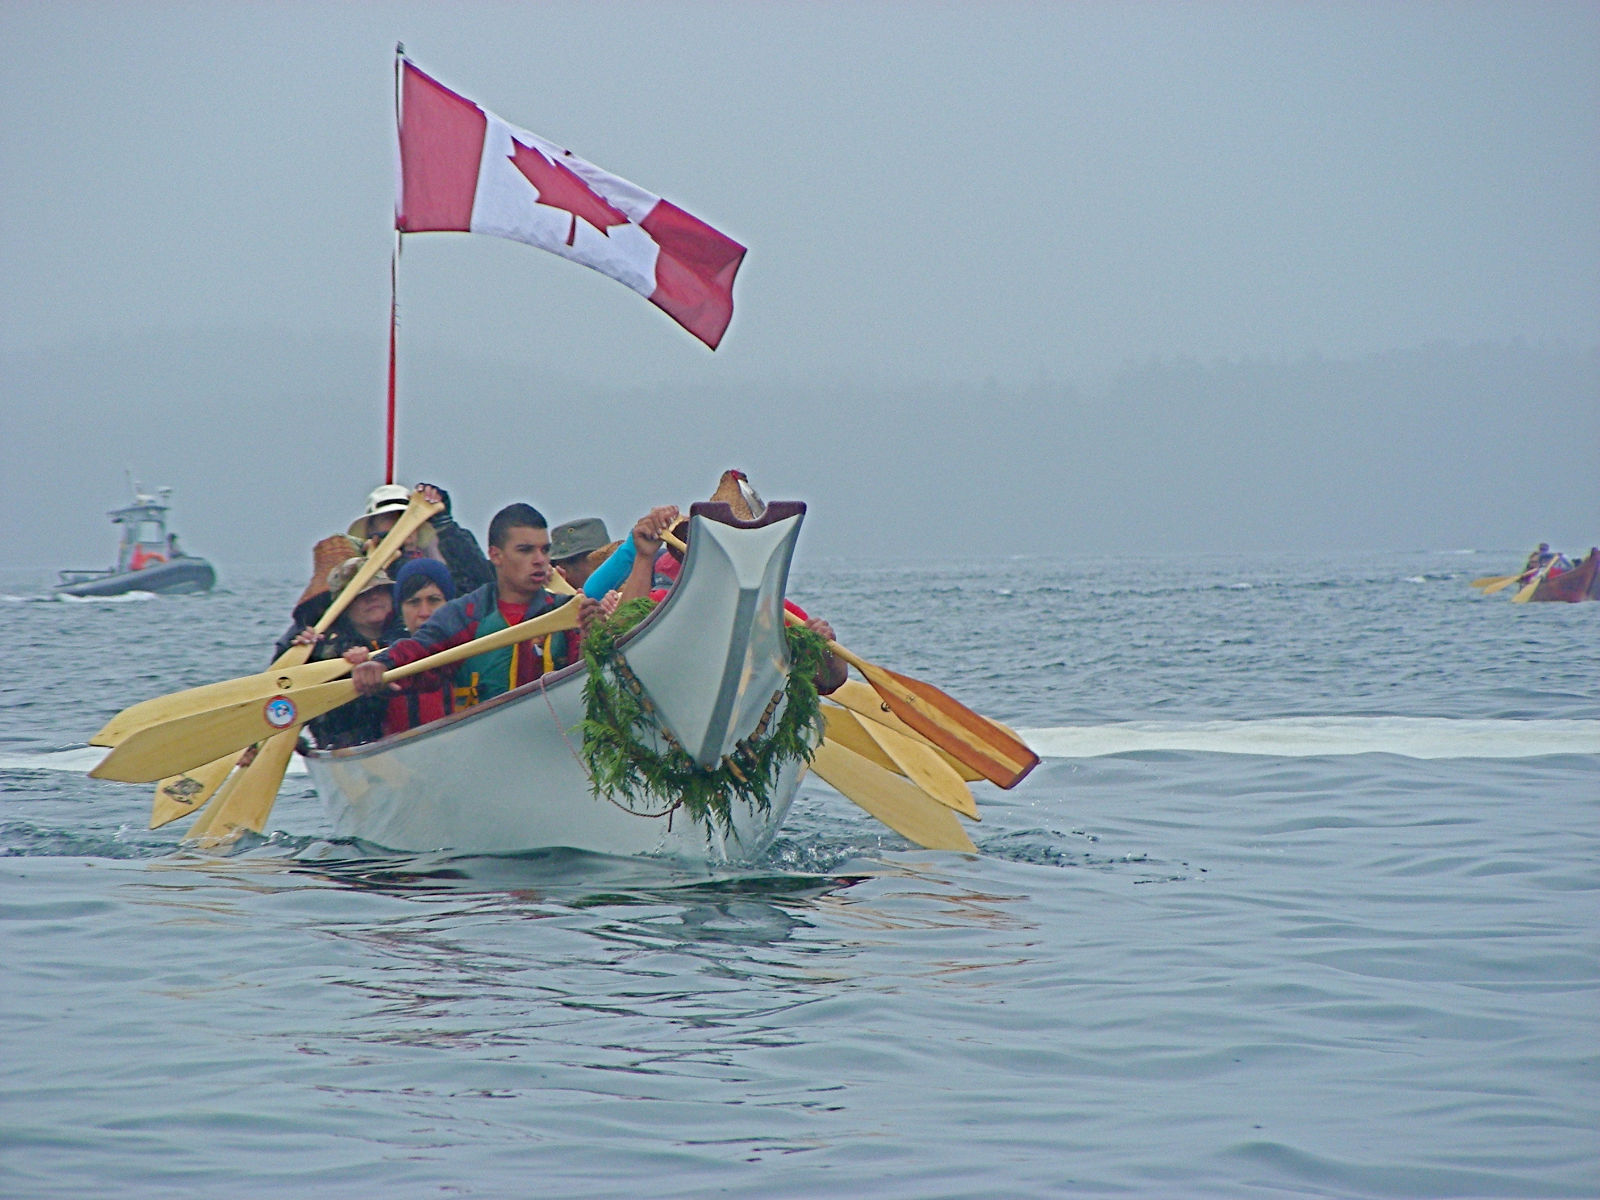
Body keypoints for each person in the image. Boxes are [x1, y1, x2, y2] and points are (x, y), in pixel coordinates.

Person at [352, 502, 602, 707]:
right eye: (525, 550)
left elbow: (587, 683)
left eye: (544, 550)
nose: (540, 560)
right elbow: (419, 650)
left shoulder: (569, 611)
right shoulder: (465, 614)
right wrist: (382, 664)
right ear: (495, 555)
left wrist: (594, 638)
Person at [342, 557, 457, 737]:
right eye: (413, 602)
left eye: (434, 600)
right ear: (400, 611)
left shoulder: (475, 643)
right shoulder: (381, 658)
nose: (424, 613)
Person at [291, 558, 395, 749]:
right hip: (348, 745)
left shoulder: (412, 634)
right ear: (343, 606)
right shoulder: (323, 651)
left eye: (379, 589)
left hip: (404, 737)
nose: (373, 597)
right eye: (361, 593)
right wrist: (302, 657)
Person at [349, 482, 495, 597]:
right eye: (389, 518)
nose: (402, 525)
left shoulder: (440, 557)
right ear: (372, 532)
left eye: (406, 516)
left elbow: (484, 589)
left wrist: (446, 528)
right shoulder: (354, 571)